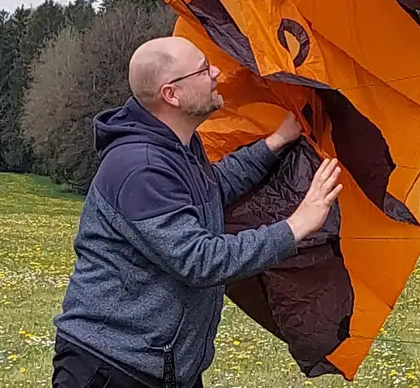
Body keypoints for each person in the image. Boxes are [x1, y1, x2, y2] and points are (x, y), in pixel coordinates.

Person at [51, 35, 342, 388]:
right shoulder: (139, 167)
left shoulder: (178, 147)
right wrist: (296, 225)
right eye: (204, 69)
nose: (217, 72)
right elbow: (199, 260)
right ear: (171, 94)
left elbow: (211, 189)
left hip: (166, 370)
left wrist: (275, 143)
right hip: (111, 369)